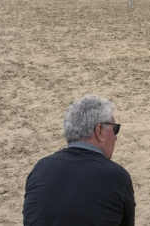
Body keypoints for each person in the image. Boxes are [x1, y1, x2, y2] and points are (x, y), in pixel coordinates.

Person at [23, 94, 135, 225]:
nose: (116, 137)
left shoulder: (41, 168)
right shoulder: (117, 176)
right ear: (99, 131)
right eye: (115, 129)